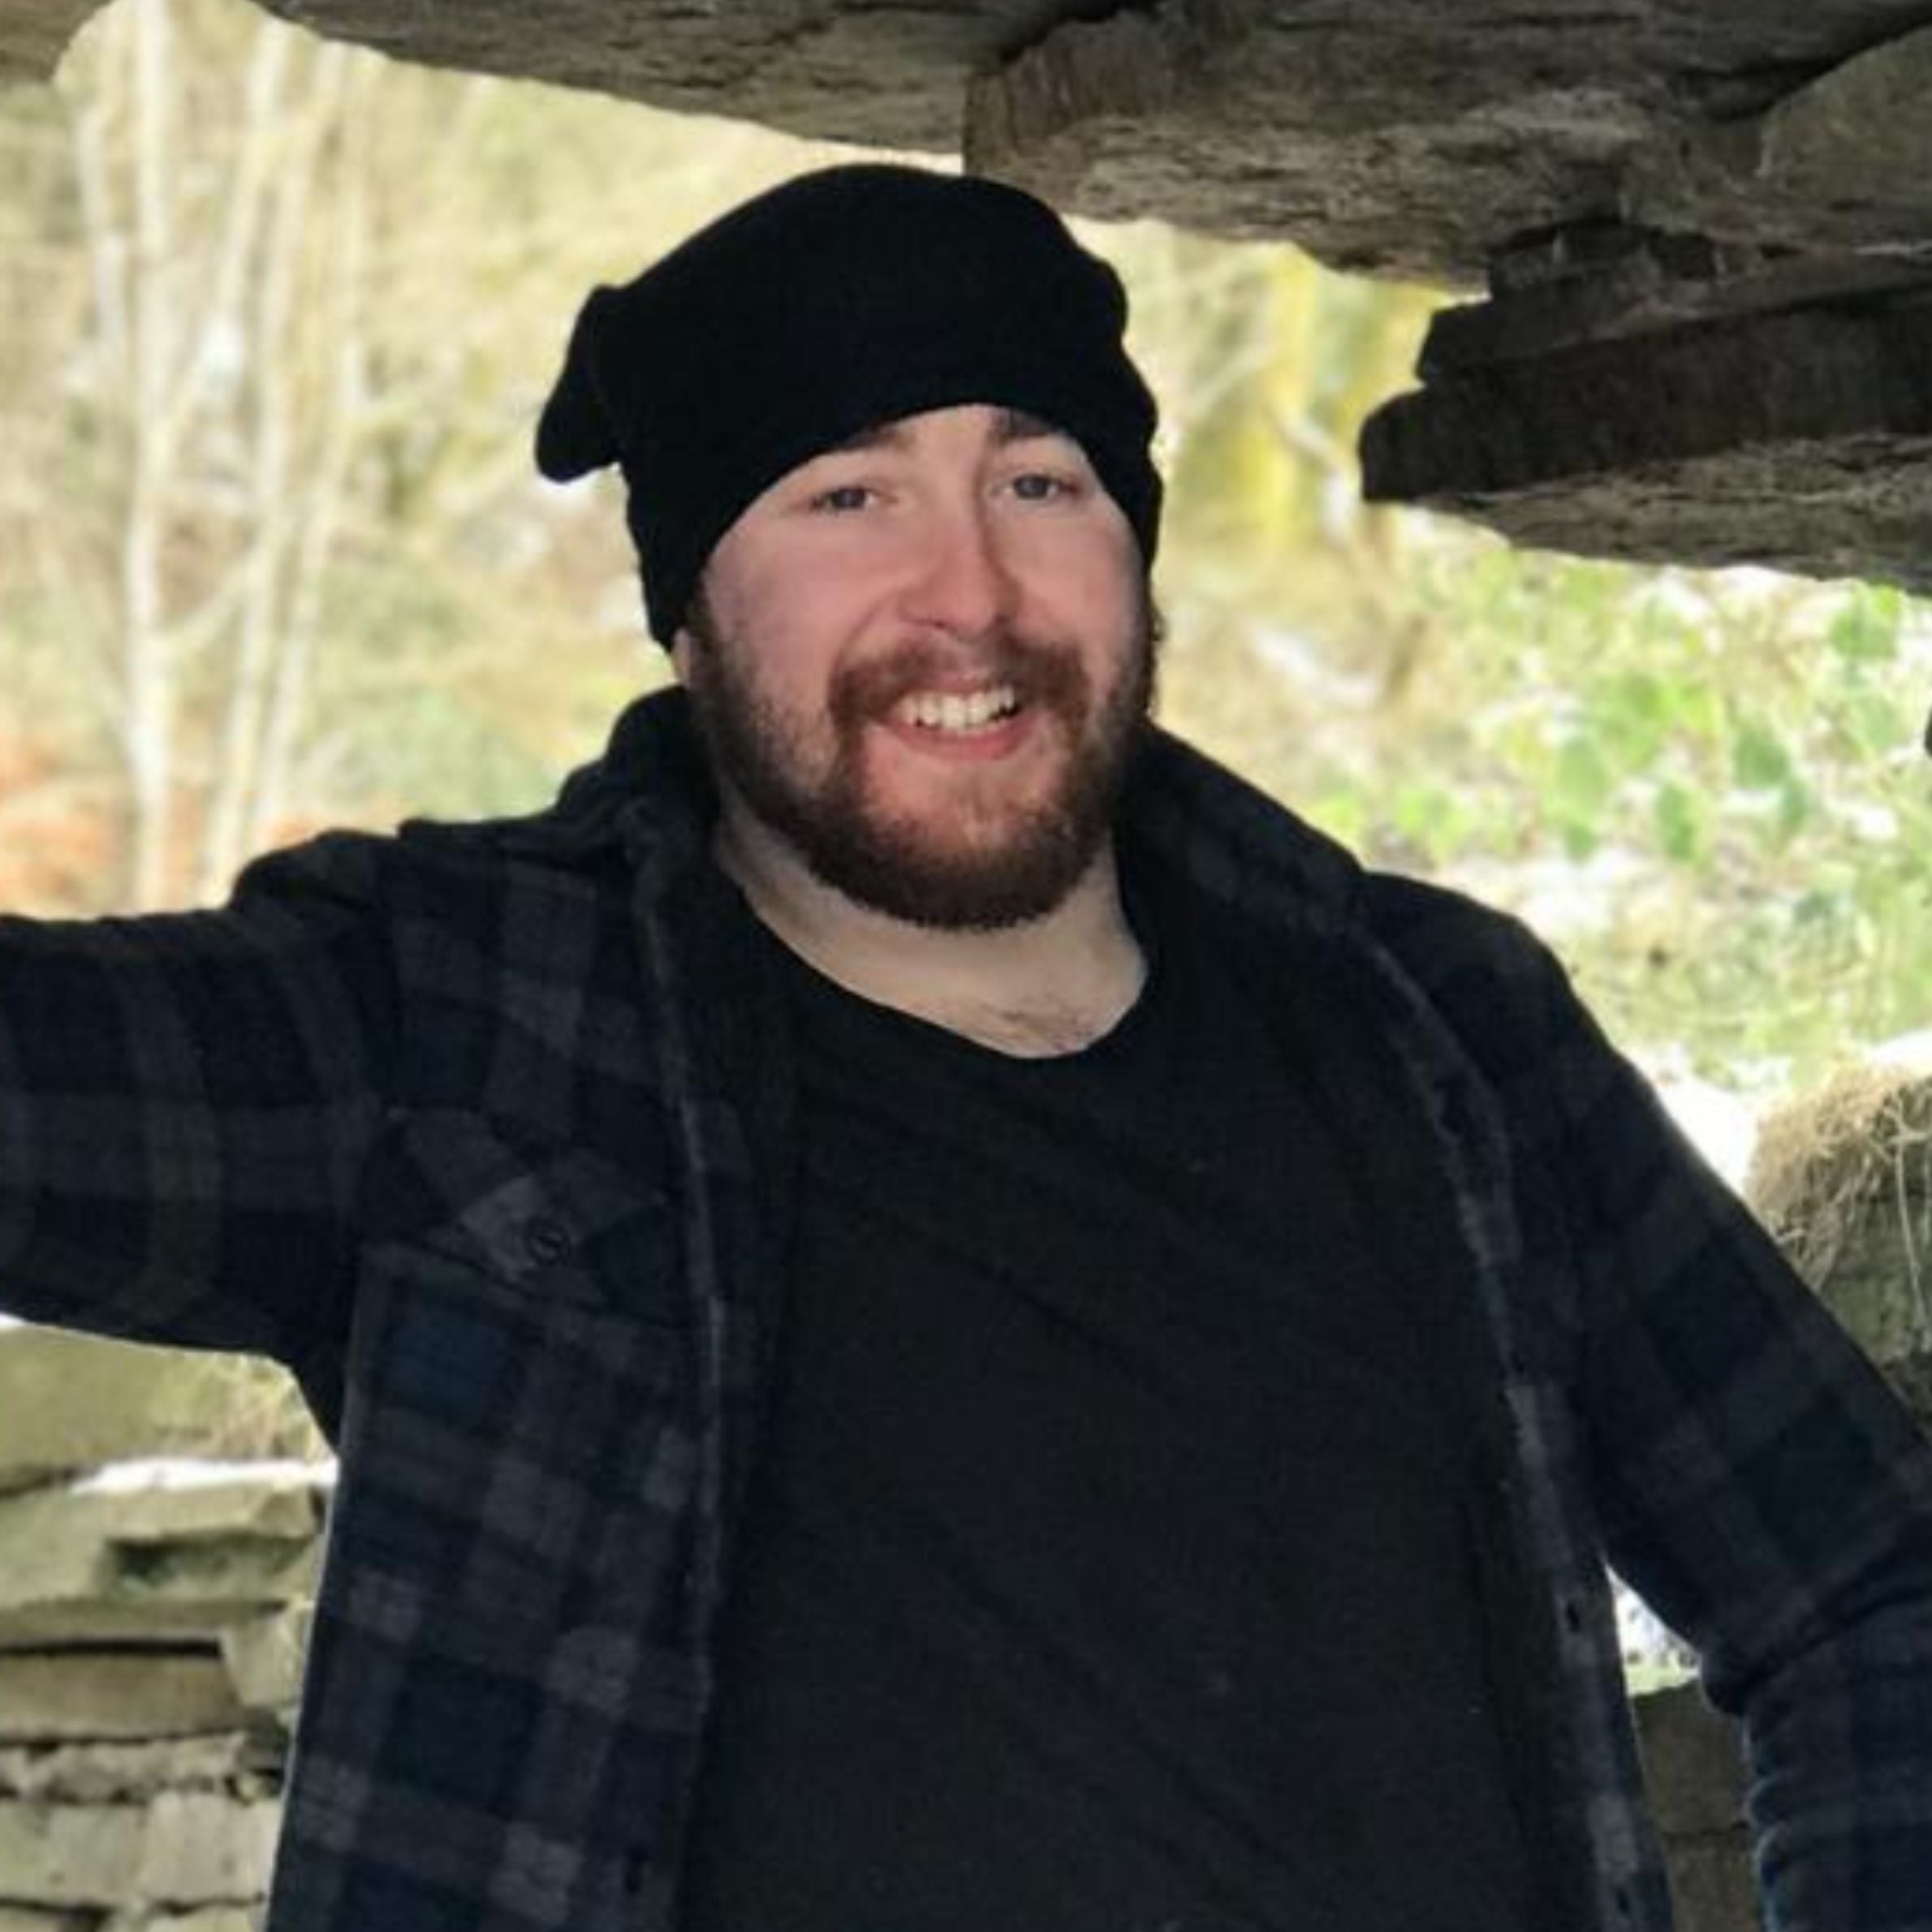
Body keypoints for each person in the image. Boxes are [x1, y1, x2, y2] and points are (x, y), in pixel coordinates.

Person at [1, 162, 1928, 1932]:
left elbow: (1863, 1599)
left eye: (1039, 482)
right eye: (844, 496)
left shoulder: (1441, 1029)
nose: (968, 596)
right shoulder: (448, 1021)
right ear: (689, 614)